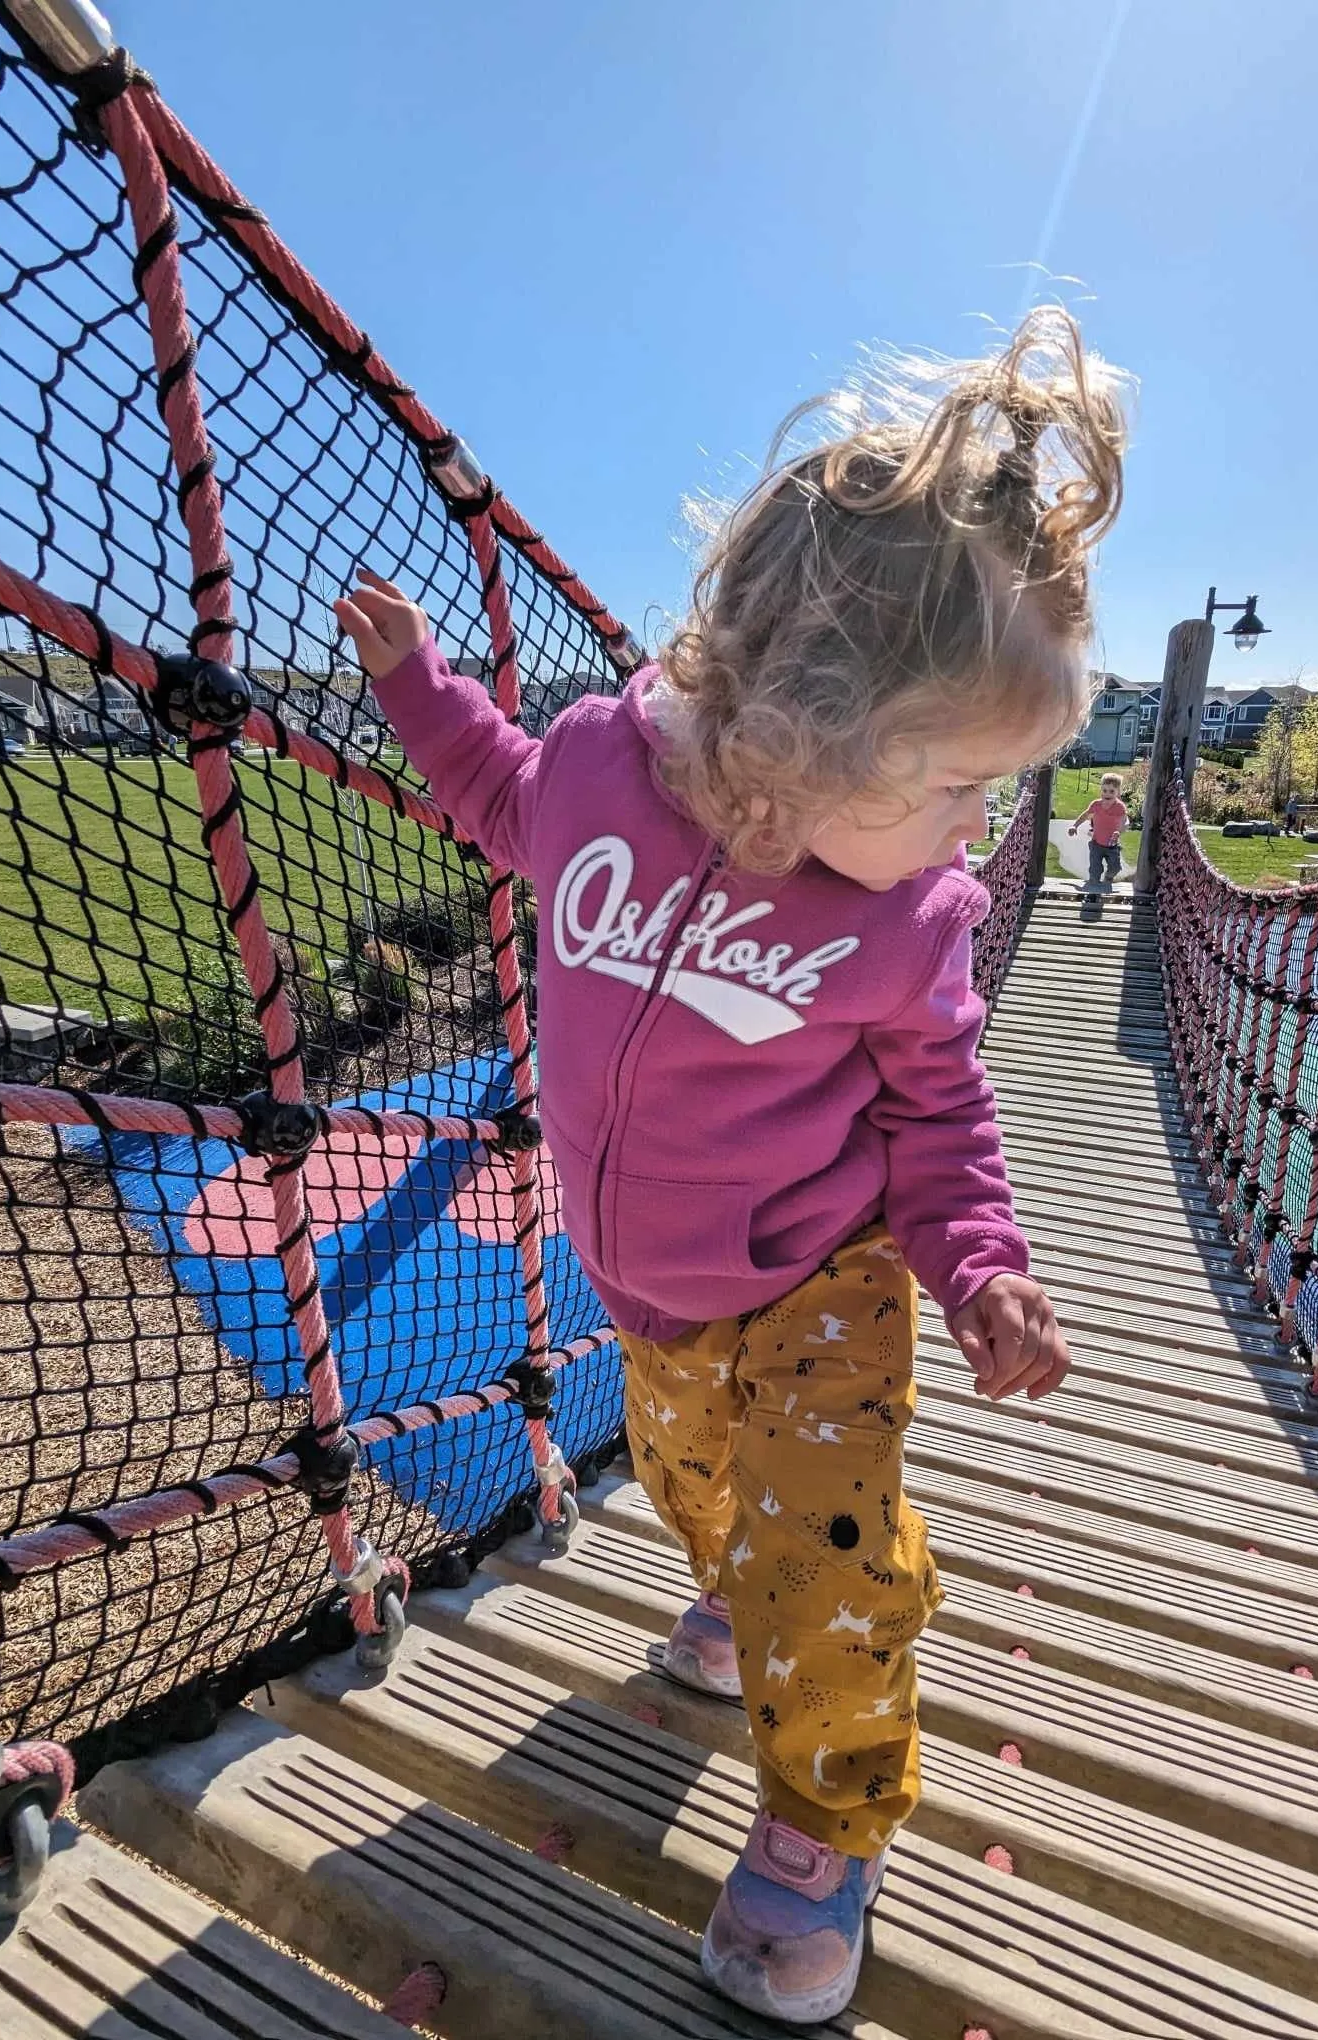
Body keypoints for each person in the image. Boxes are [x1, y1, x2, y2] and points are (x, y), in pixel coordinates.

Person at [335, 307, 1126, 2026]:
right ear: (806, 732)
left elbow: (939, 1107)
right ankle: (737, 1589)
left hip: (820, 1280)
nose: (976, 831)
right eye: (956, 786)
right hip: (648, 1290)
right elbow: (496, 792)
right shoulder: (609, 775)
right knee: (703, 1502)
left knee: (823, 1566)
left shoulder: (911, 914)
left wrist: (978, 1258)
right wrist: (417, 689)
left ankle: (825, 1815)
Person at [1069, 771, 1129, 891]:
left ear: (1118, 792)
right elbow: (1085, 815)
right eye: (1104, 790)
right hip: (1096, 844)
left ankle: (1108, 876)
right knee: (1095, 870)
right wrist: (1075, 826)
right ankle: (1092, 890)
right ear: (1101, 790)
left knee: (1115, 868)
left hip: (1112, 845)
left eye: (1112, 791)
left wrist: (1119, 831)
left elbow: (1125, 821)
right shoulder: (1096, 805)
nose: (1107, 794)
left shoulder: (1120, 807)